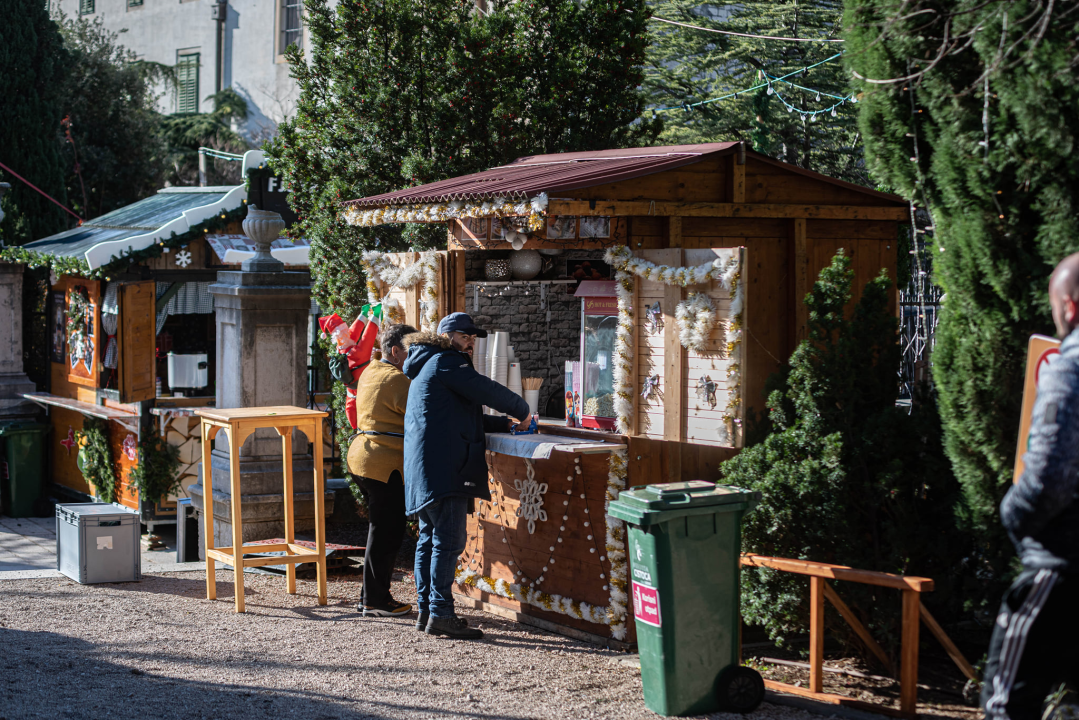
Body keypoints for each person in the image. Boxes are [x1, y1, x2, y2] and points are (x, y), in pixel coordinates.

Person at [982, 253, 1079, 719]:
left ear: (1071, 308)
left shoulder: (1070, 364)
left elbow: (1049, 477)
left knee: (1007, 705)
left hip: (1061, 568)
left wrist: (1014, 518)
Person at [401, 312, 530, 639]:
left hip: (426, 469)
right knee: (449, 540)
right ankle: (442, 613)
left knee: (430, 540)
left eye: (473, 337)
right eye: (464, 336)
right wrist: (522, 409)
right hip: (444, 468)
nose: (470, 341)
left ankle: (427, 611)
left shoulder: (430, 363)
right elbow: (485, 391)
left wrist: (506, 425)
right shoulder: (447, 361)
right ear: (447, 336)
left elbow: (463, 414)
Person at [346, 322, 417, 617]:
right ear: (395, 351)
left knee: (382, 529)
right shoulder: (399, 380)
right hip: (383, 464)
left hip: (362, 458)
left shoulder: (372, 370)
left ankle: (370, 597)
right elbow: (423, 412)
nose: (416, 355)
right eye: (412, 350)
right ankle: (376, 600)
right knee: (387, 531)